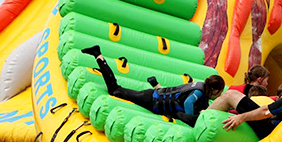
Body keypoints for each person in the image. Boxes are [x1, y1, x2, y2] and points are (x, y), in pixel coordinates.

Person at [81, 45, 224, 125]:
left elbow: (178, 94)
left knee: (117, 91)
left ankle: (98, 55)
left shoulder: (198, 86)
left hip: (156, 96)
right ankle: (98, 55)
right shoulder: (199, 92)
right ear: (216, 90)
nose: (220, 95)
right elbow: (187, 103)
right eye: (220, 92)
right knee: (115, 91)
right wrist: (193, 118)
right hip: (152, 99)